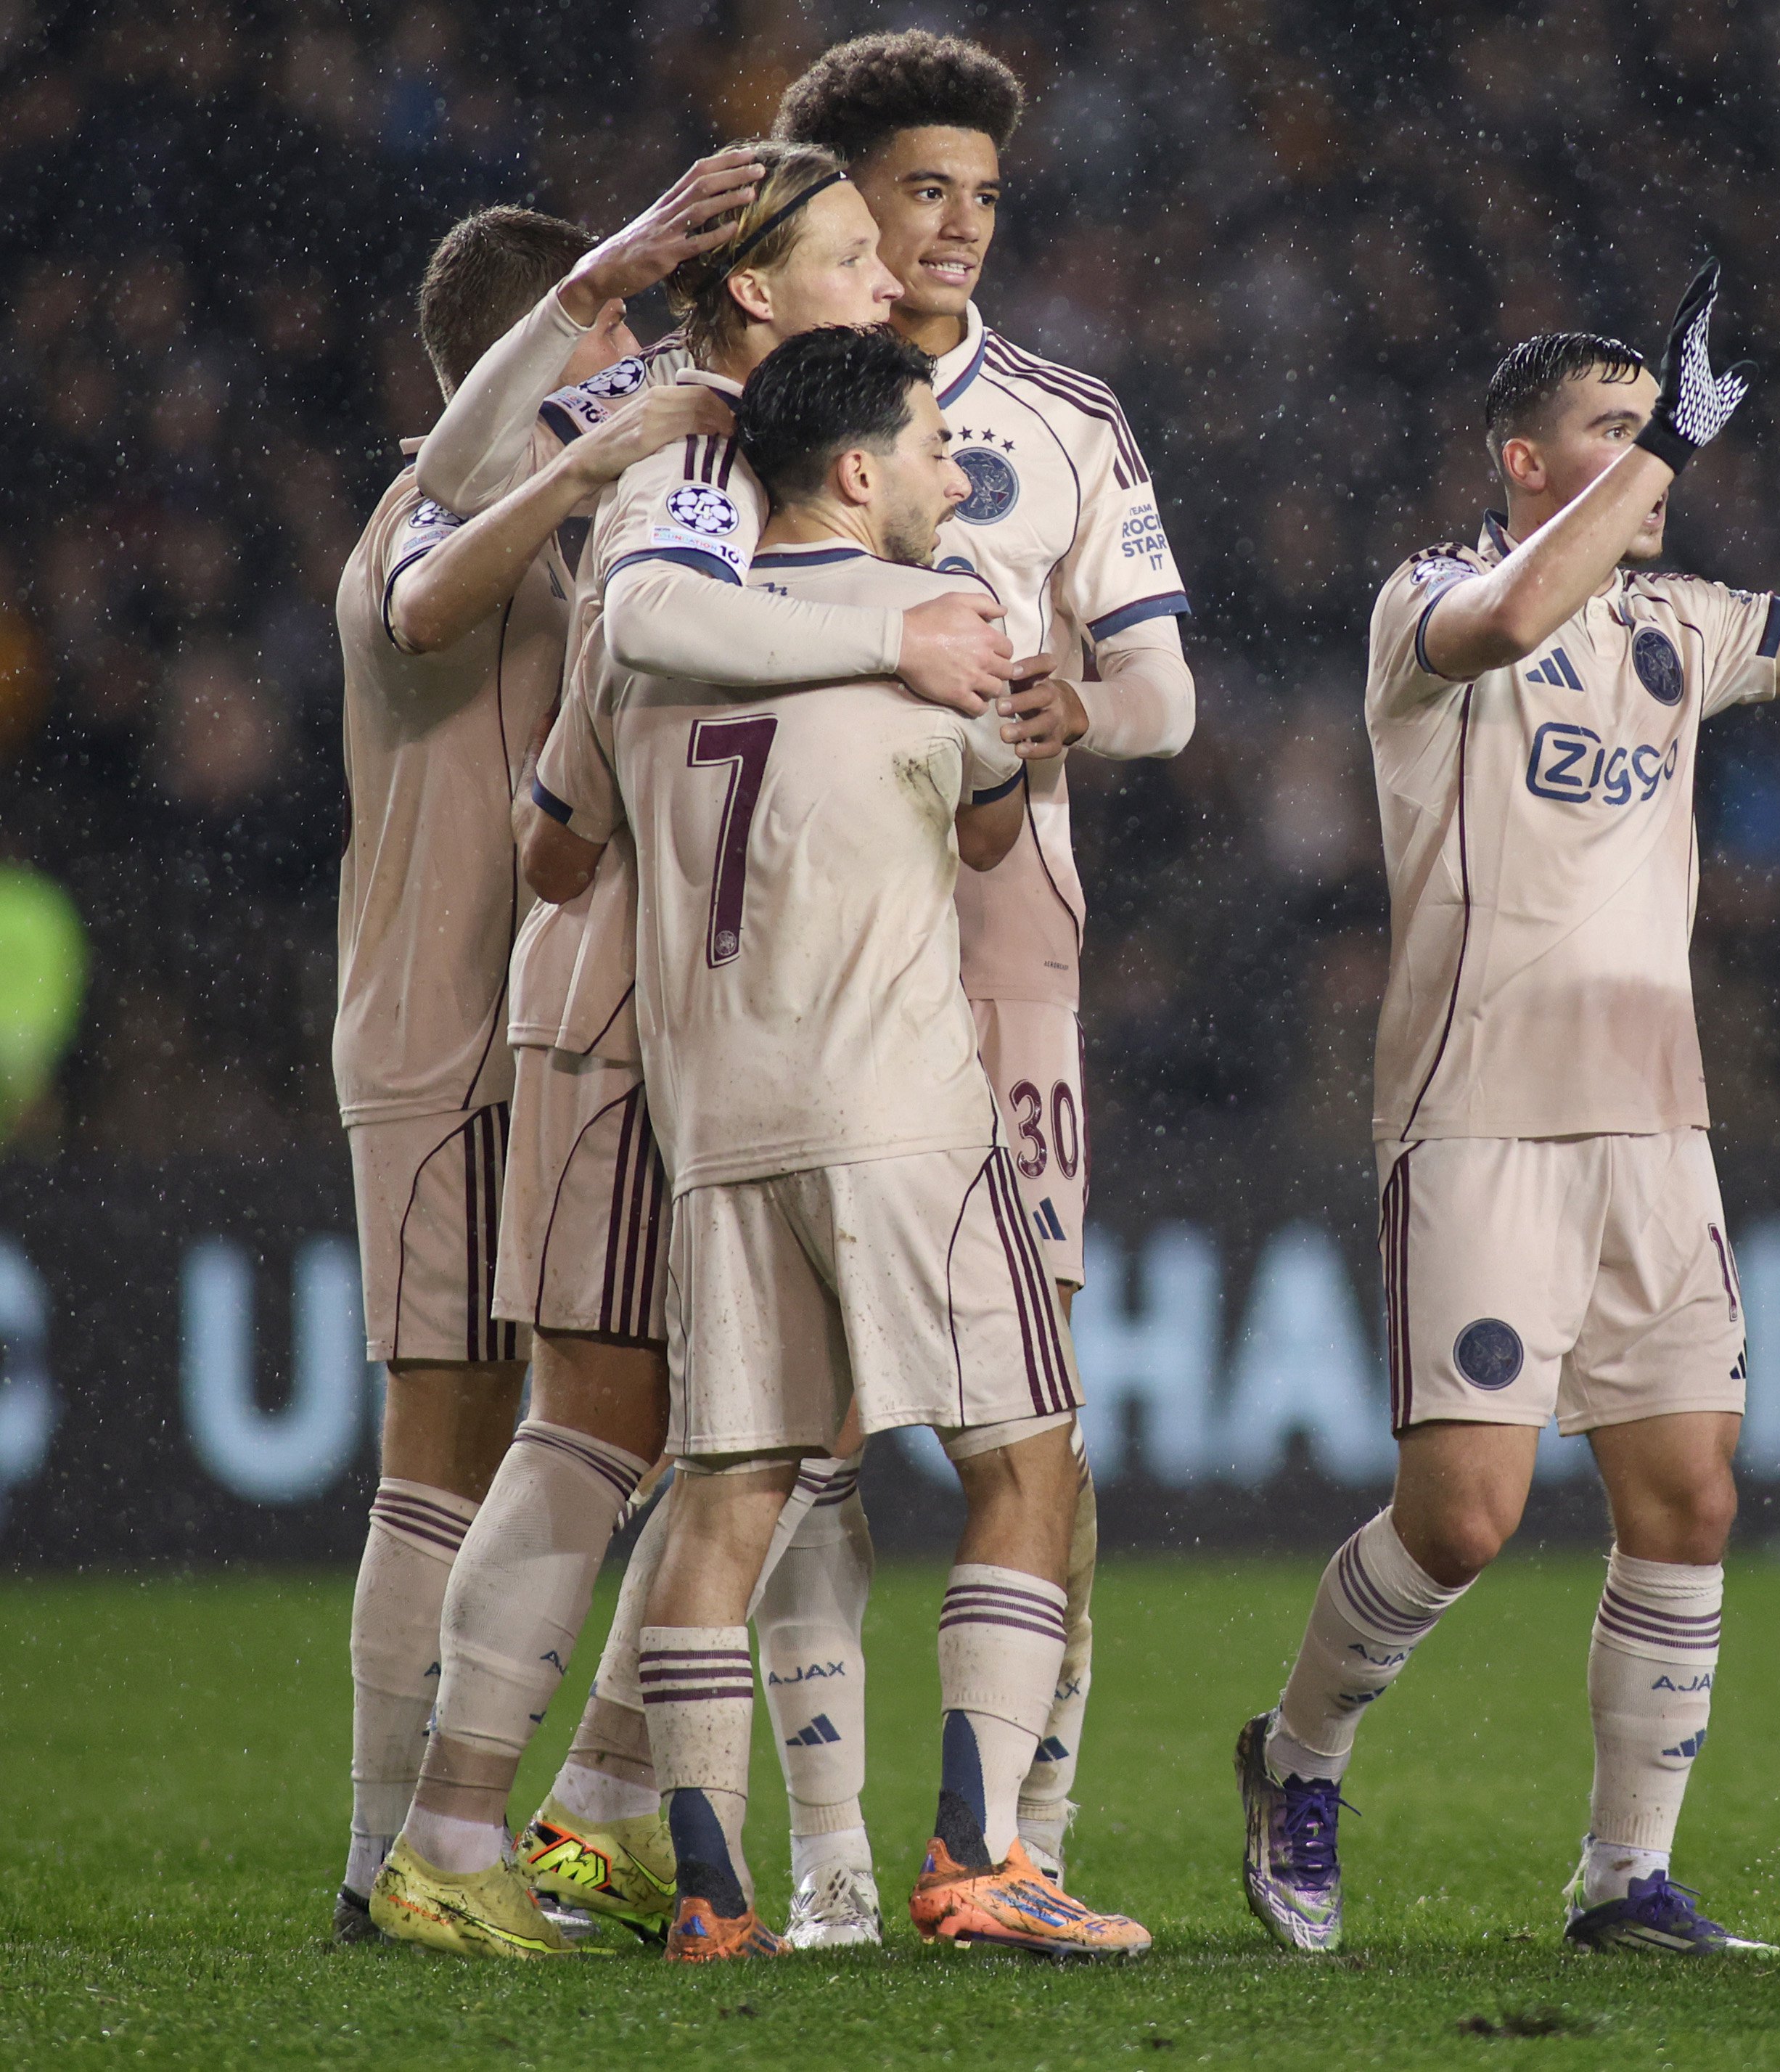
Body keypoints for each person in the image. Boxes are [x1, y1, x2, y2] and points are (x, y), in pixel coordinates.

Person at [1234, 263, 1780, 1957]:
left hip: (1655, 1125)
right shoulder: (1427, 601)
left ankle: (1625, 1878)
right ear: (1522, 460)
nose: (1655, 450)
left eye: (1660, 420)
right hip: (1478, 1115)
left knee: (1688, 1496)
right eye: (1615, 426)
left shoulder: (1675, 623)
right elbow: (1502, 624)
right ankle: (1296, 1755)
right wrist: (1675, 450)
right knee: (1462, 1521)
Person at [368, 142, 1012, 1956]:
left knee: (753, 1435)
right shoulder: (675, 457)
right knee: (600, 1422)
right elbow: (582, 647)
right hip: (627, 1010)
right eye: (849, 254)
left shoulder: (746, 467)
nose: (887, 278)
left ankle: (599, 1814)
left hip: (715, 1012)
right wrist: (898, 649)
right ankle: (444, 1838)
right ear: (751, 289)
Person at [521, 322, 1145, 1963]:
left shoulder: (651, 636)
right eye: (934, 445)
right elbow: (994, 830)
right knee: (1026, 1462)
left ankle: (708, 1891)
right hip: (895, 1112)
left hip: (715, 1123)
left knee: (730, 1489)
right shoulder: (942, 624)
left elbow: (552, 849)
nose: (954, 473)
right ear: (858, 472)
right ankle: (977, 1853)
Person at [772, 26, 1198, 1900]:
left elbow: (1168, 695)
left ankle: (1021, 1832)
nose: (956, 226)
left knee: (1034, 1416)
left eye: (982, 197)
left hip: (1002, 947)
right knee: (790, 1428)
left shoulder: (1065, 419)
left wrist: (1081, 703)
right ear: (843, 201)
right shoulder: (749, 407)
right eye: (921, 191)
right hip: (792, 946)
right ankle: (817, 1862)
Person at [332, 181, 747, 1946]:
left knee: (659, 1422)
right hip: (443, 1037)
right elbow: (428, 607)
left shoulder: (604, 522)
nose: (638, 358)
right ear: (547, 342)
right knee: (447, 1437)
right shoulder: (421, 518)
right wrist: (581, 454)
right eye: (616, 329)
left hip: (581, 1025)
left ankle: (579, 1808)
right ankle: (387, 1860)